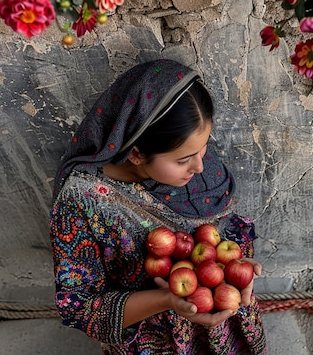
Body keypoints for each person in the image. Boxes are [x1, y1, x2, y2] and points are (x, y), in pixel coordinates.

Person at [49, 59, 267, 354]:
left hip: (221, 326)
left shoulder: (194, 164)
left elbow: (226, 228)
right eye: (184, 159)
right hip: (153, 340)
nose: (201, 166)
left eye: (203, 148)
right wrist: (167, 301)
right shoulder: (82, 202)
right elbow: (81, 306)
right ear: (136, 153)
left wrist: (237, 265)